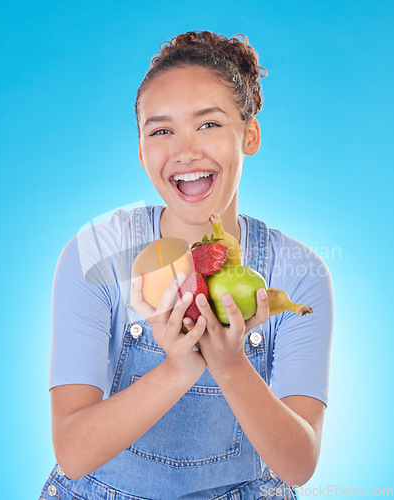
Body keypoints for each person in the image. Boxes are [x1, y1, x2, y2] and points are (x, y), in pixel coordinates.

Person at [39, 31, 333, 500]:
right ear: (140, 150)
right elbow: (73, 452)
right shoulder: (96, 253)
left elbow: (298, 464)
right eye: (160, 130)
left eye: (209, 124)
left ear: (250, 135)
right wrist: (177, 369)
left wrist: (232, 366)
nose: (186, 150)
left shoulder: (297, 273)